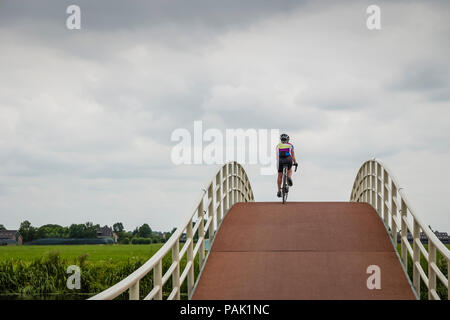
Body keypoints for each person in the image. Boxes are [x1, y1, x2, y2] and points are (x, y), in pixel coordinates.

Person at [276, 133, 297, 198]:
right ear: (287, 140)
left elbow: (276, 156)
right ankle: (289, 177)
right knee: (290, 170)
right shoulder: (290, 145)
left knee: (280, 175)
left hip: (280, 160)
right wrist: (295, 162)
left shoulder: (278, 146)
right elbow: (293, 156)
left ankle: (279, 191)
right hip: (288, 159)